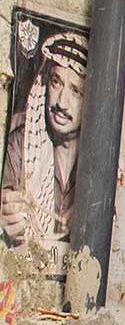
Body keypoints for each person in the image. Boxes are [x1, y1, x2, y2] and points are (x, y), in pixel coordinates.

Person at [1, 29, 87, 247]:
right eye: (56, 82)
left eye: (76, 91)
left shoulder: (97, 164)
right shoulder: (20, 144)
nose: (62, 103)